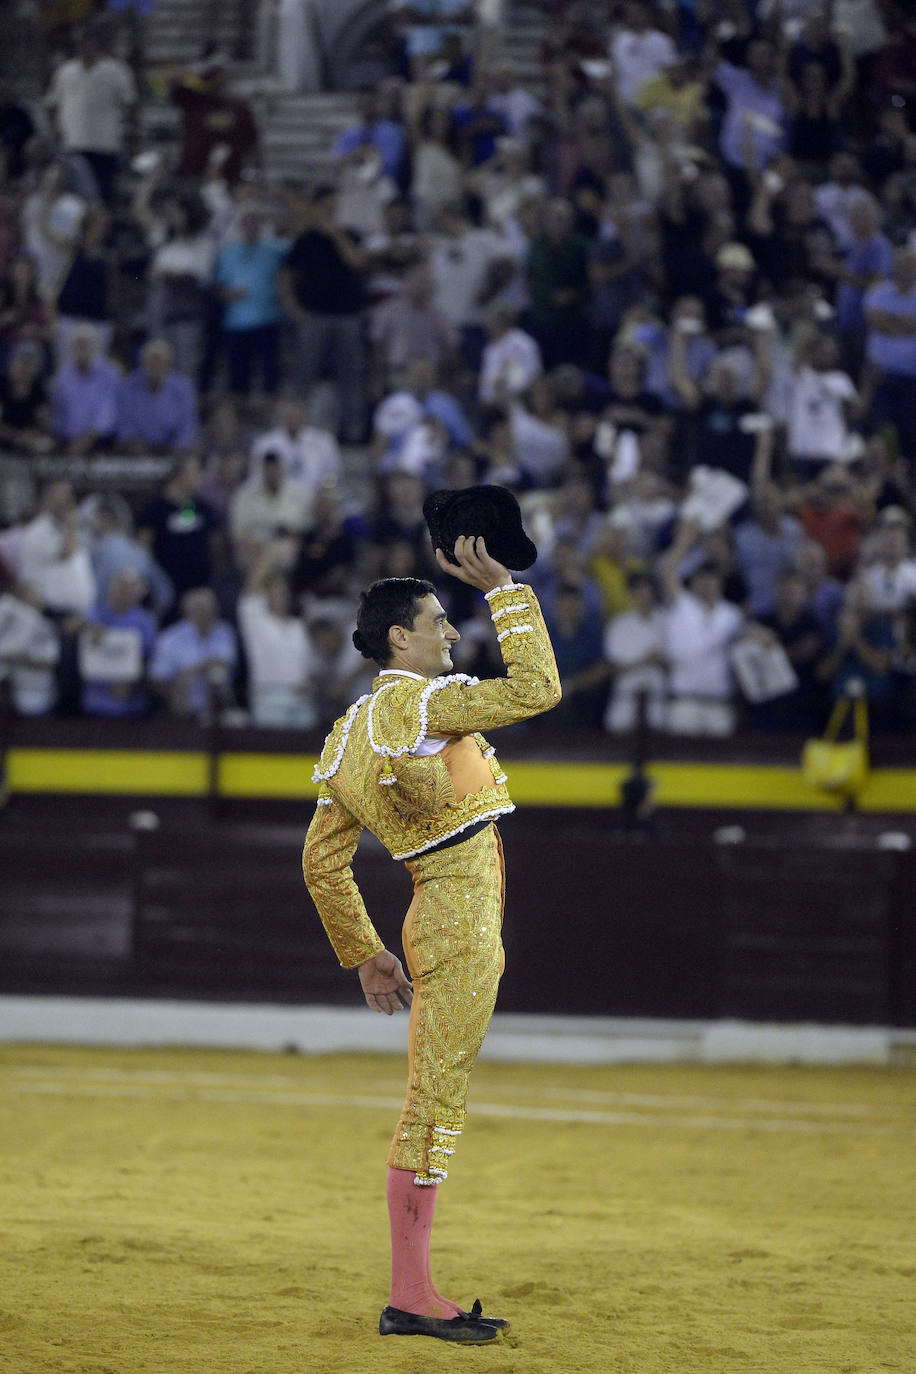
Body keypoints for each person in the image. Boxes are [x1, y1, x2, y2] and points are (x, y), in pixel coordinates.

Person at [302, 532, 560, 1343]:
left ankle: (414, 1288)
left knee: (433, 1094)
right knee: (434, 1100)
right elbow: (540, 688)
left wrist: (367, 953)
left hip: (432, 914)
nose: (451, 635)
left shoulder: (346, 737)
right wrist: (507, 589)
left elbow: (320, 865)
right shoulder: (416, 702)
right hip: (457, 914)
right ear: (398, 640)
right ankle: (410, 1295)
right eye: (436, 622)